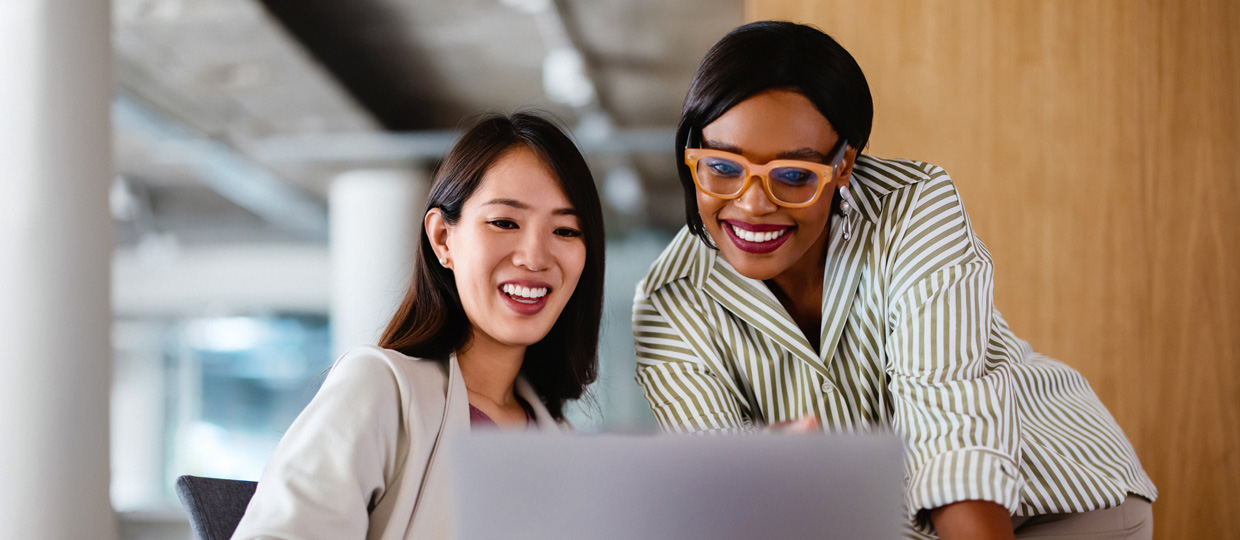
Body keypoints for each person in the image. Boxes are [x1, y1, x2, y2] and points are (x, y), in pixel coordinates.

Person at [632, 21, 1156, 539]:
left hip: (1063, 502)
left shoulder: (913, 210)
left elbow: (952, 441)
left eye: (794, 176)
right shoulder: (669, 302)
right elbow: (732, 500)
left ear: (844, 166)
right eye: (722, 167)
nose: (752, 205)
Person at [233, 112, 605, 539]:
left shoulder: (558, 437)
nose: (535, 257)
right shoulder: (380, 388)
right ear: (444, 239)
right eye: (505, 222)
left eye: (565, 230)